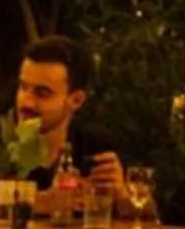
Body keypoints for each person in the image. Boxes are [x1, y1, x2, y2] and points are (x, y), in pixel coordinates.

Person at [11, 35, 123, 202]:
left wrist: (122, 195)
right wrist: (43, 202)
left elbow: (149, 215)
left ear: (76, 100)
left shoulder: (95, 148)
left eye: (42, 93)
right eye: (23, 87)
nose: (26, 101)